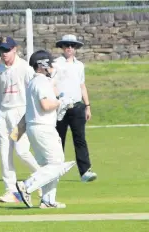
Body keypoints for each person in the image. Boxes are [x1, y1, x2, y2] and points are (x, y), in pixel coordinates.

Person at [15, 50, 76, 209]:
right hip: (43, 128)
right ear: (42, 65)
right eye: (49, 64)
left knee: (48, 166)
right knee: (56, 164)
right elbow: (46, 105)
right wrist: (61, 102)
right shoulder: (41, 82)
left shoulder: (35, 83)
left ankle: (47, 200)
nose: (52, 67)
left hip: (35, 128)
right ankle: (27, 185)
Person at [0, 36, 41, 203]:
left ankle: (43, 178)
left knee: (22, 151)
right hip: (4, 115)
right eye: (2, 50)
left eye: (7, 50)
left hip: (20, 114)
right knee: (5, 155)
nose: (4, 54)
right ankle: (11, 191)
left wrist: (32, 114)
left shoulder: (25, 68)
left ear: (15, 49)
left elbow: (34, 90)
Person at [53, 34, 97, 183]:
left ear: (75, 48)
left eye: (72, 46)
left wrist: (88, 106)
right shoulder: (56, 64)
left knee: (80, 139)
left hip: (77, 107)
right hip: (61, 107)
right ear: (62, 47)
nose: (69, 48)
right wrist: (59, 99)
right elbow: (52, 84)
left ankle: (85, 171)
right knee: (58, 139)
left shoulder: (79, 65)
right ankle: (55, 170)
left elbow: (82, 86)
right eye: (66, 46)